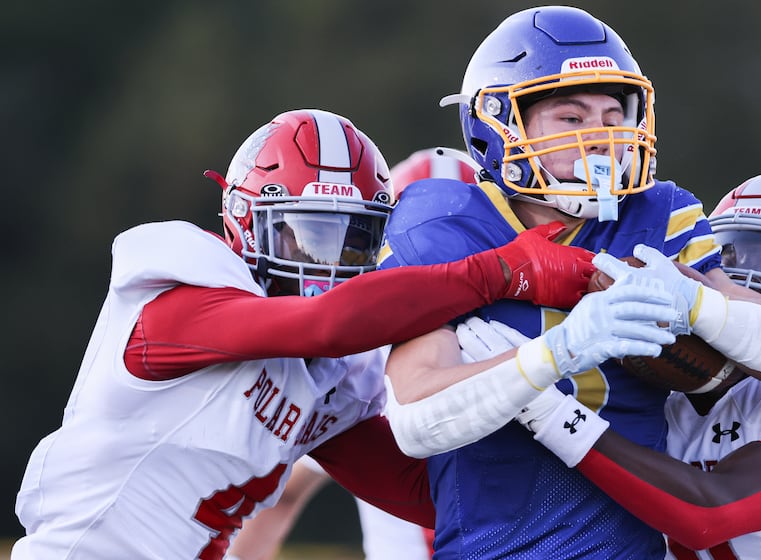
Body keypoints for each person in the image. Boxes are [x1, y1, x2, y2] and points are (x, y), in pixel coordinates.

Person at [12, 109, 612, 560]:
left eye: (350, 243)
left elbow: (436, 492)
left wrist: (600, 456)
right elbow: (323, 325)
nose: (324, 268)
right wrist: (504, 270)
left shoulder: (330, 379)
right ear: (244, 220)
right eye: (305, 236)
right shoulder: (178, 299)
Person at [376, 6, 761, 558]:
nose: (601, 138)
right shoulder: (447, 221)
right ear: (494, 124)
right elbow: (417, 423)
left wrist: (697, 304)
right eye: (570, 119)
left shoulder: (658, 218)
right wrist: (558, 353)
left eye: (614, 115)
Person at [504, 173, 761, 557]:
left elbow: (712, 513)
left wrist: (552, 413)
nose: (737, 277)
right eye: (725, 257)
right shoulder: (657, 391)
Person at [226, 146, 480, 560]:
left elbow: (282, 495)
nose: (443, 257)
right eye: (428, 236)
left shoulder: (361, 352)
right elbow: (282, 493)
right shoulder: (358, 357)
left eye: (459, 235)